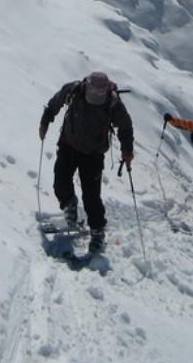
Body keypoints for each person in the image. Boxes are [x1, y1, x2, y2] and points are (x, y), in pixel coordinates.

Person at [40, 71, 134, 252]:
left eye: (101, 94)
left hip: (93, 153)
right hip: (69, 144)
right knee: (60, 182)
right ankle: (70, 206)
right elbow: (55, 103)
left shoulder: (112, 102)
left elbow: (125, 126)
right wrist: (45, 121)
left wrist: (127, 149)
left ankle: (98, 230)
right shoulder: (73, 90)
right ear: (87, 86)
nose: (97, 97)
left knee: (91, 196)